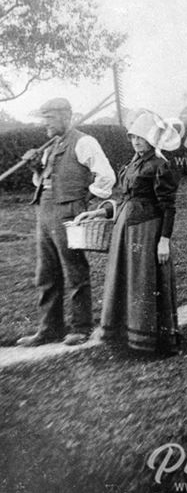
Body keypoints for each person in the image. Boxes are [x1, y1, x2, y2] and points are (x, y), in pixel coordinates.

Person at [78, 110, 182, 354]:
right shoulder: (133, 163)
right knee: (124, 279)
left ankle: (146, 339)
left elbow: (168, 207)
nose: (136, 142)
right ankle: (123, 336)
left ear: (152, 140)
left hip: (146, 231)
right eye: (133, 137)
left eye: (141, 138)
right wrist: (98, 212)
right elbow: (125, 199)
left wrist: (164, 241)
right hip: (125, 228)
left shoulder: (160, 166)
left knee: (142, 281)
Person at [16, 98, 115, 347]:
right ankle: (50, 329)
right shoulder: (50, 146)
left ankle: (81, 328)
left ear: (65, 117)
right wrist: (34, 167)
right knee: (46, 272)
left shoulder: (84, 142)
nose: (45, 124)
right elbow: (42, 182)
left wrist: (83, 200)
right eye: (44, 118)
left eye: (49, 118)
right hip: (45, 212)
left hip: (69, 212)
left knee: (74, 269)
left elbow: (106, 176)